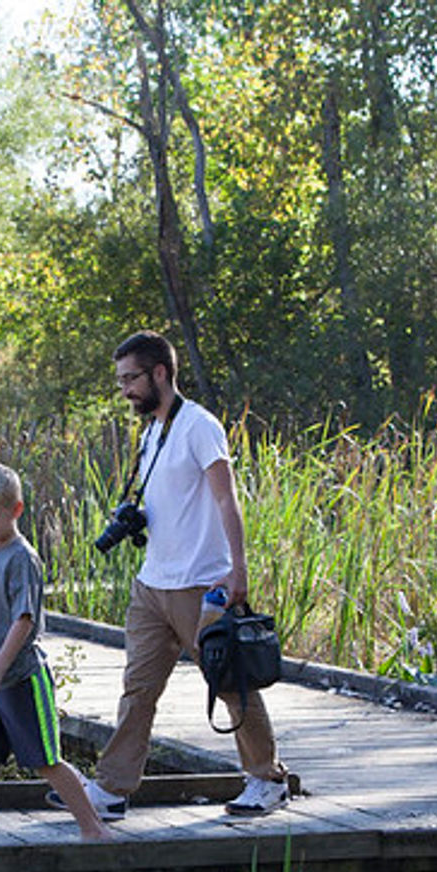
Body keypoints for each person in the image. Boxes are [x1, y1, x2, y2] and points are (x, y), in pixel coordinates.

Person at [66, 330, 289, 820]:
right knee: (137, 689)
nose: (125, 390)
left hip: (200, 582)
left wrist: (238, 571)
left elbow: (227, 500)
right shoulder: (152, 432)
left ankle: (267, 780)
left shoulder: (199, 427)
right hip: (153, 584)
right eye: (121, 380)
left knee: (231, 683)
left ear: (159, 373)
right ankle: (112, 790)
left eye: (131, 379)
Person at [0, 463, 115, 846]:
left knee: (45, 759)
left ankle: (94, 830)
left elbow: (24, 621)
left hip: (19, 679)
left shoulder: (21, 557)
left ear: (16, 510)